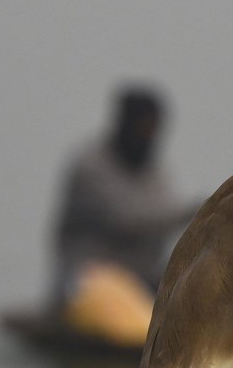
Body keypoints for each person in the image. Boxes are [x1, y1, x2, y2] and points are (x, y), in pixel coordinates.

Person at [51, 84, 196, 345]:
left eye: (153, 130)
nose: (148, 137)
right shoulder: (90, 168)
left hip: (143, 278)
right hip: (91, 280)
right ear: (123, 125)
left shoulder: (155, 171)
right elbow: (127, 218)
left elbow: (163, 214)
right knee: (129, 320)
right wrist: (197, 211)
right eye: (142, 129)